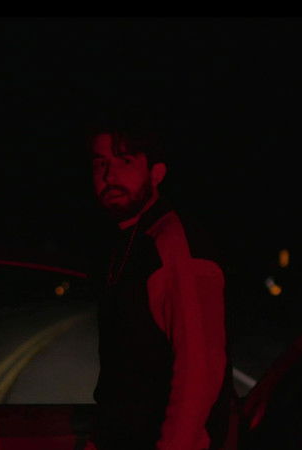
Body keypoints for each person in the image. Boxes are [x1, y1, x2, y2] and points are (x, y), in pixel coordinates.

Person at [86, 110, 236, 450]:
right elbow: (123, 378)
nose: (109, 175)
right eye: (100, 163)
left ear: (157, 172)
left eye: (125, 161)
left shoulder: (172, 244)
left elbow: (199, 371)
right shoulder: (130, 243)